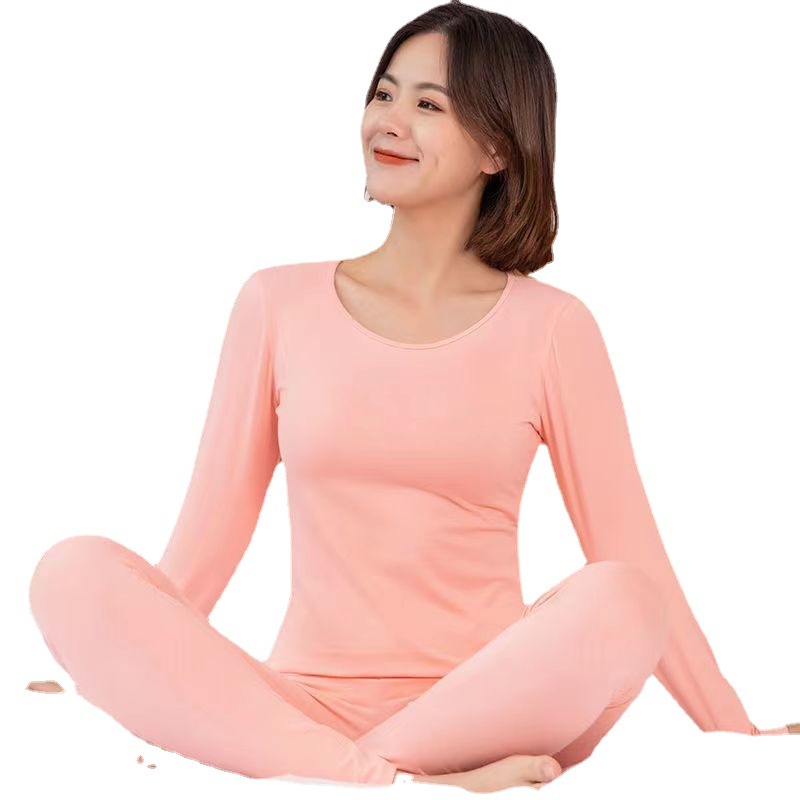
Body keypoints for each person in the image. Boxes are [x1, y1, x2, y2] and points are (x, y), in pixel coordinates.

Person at [27, 1, 796, 792]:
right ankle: (408, 781)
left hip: (494, 707)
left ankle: (358, 775)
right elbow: (200, 553)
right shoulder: (276, 303)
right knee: (70, 573)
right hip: (297, 709)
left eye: (429, 104)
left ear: (498, 146)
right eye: (384, 93)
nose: (388, 121)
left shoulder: (554, 329)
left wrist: (735, 732)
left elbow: (630, 548)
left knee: (626, 599)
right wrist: (114, 666)